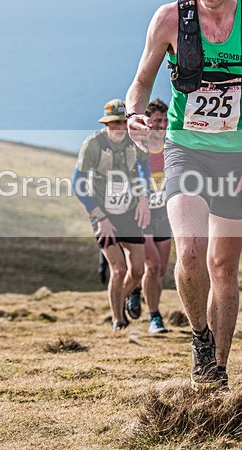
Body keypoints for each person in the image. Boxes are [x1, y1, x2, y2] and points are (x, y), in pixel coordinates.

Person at [125, 0, 242, 389]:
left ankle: (217, 368)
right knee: (191, 251)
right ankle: (199, 338)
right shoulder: (170, 19)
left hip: (238, 159)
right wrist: (135, 113)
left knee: (224, 269)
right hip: (185, 150)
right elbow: (141, 82)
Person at [73, 99, 151, 331]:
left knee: (138, 270)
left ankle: (120, 298)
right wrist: (100, 217)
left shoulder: (135, 141)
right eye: (113, 123)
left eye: (122, 123)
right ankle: (118, 320)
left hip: (129, 211)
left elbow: (144, 169)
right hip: (102, 213)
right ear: (106, 123)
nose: (118, 128)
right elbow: (77, 185)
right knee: (119, 269)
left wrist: (144, 199)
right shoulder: (93, 145)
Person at [141, 99, 173, 334]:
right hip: (141, 215)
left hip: (164, 214)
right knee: (151, 267)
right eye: (156, 121)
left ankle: (135, 289)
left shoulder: (173, 148)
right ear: (147, 123)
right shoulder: (137, 150)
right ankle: (155, 317)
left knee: (160, 270)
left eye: (165, 120)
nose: (161, 125)